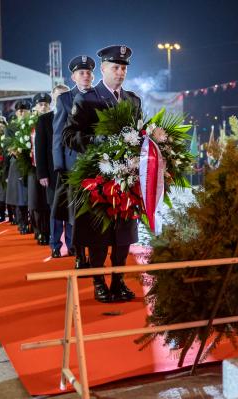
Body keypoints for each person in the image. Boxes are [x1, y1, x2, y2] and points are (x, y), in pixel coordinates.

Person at [63, 45, 141, 303]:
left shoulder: (133, 100)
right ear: (104, 69)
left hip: (126, 177)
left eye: (124, 68)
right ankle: (99, 282)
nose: (120, 72)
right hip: (97, 177)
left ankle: (118, 280)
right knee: (98, 234)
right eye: (115, 67)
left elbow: (139, 133)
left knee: (123, 233)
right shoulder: (87, 99)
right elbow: (69, 136)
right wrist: (97, 140)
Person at [53, 55, 95, 266]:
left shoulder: (99, 97)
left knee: (94, 211)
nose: (86, 76)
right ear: (73, 77)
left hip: (97, 164)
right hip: (73, 166)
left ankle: (95, 253)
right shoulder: (65, 99)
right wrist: (59, 165)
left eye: (88, 72)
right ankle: (79, 254)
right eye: (81, 73)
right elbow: (58, 135)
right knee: (76, 212)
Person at [36, 85, 70, 257]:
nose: (62, 99)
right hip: (52, 173)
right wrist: (42, 173)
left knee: (72, 210)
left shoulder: (74, 117)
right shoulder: (44, 120)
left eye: (65, 96)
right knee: (55, 211)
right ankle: (55, 245)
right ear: (53, 97)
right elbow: (39, 149)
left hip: (72, 172)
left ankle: (72, 245)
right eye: (59, 96)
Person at [28, 93, 52, 245]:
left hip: (48, 168)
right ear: (35, 106)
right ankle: (39, 231)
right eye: (40, 104)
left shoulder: (51, 120)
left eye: (45, 104)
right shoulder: (28, 124)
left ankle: (48, 232)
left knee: (47, 202)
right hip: (32, 168)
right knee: (36, 202)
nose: (43, 107)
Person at [5, 100, 31, 235]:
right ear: (16, 112)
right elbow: (8, 146)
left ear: (29, 111)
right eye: (20, 110)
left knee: (31, 196)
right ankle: (22, 223)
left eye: (24, 110)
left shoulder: (33, 124)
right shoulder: (11, 127)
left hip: (32, 163)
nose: (22, 112)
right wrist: (18, 151)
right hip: (17, 163)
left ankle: (34, 223)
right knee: (19, 197)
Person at [0, 116, 8, 222]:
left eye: (2, 123)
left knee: (3, 192)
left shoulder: (7, 137)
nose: (0, 125)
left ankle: (2, 213)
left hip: (5, 168)